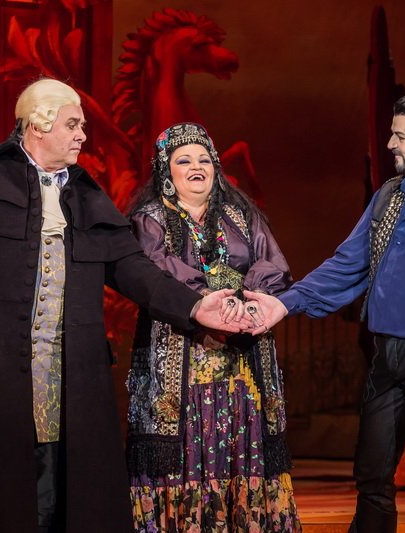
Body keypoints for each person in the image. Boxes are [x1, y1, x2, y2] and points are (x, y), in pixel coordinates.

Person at [0, 79, 245, 533]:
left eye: (81, 126)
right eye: (72, 125)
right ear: (37, 125)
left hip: (69, 364)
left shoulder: (85, 195)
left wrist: (194, 307)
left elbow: (133, 268)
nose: (82, 136)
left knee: (61, 474)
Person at [244, 92, 405, 533]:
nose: (390, 144)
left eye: (400, 136)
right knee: (371, 470)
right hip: (386, 353)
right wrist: (285, 302)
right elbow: (348, 263)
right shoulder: (389, 196)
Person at [126, 122, 302, 532]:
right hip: (182, 361)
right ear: (165, 171)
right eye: (184, 160)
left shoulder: (241, 216)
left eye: (204, 160)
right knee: (187, 448)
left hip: (241, 366)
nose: (196, 167)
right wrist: (210, 301)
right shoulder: (150, 220)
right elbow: (158, 270)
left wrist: (249, 301)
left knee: (242, 442)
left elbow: (271, 262)